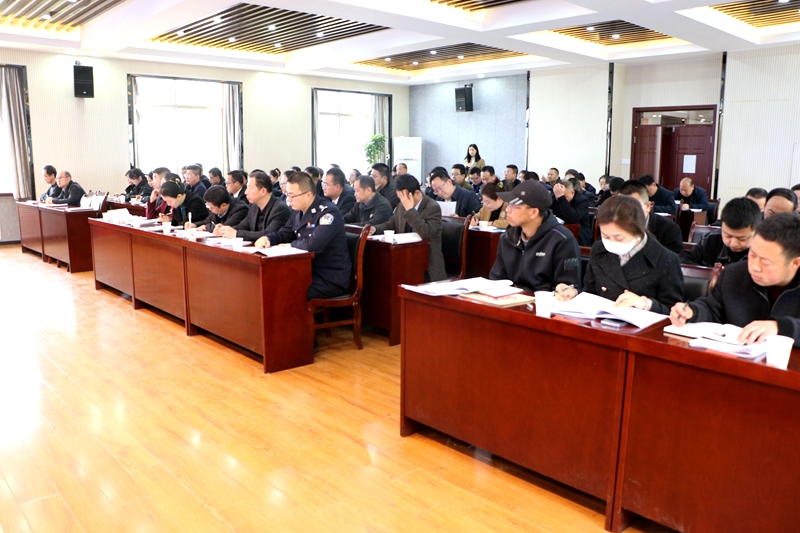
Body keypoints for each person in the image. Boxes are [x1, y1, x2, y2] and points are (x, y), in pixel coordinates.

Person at [670, 213, 800, 346]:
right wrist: (692, 311)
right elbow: (712, 308)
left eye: (765, 262)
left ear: (795, 263)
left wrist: (780, 327)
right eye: (752, 255)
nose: (754, 266)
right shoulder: (734, 273)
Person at [557, 195, 683, 314]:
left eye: (619, 237)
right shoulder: (599, 249)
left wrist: (645, 303)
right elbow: (590, 292)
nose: (611, 242)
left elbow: (674, 312)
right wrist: (575, 294)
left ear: (637, 231)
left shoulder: (666, 259)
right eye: (605, 236)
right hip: (601, 323)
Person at [261, 172, 351, 300]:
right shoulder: (298, 212)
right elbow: (285, 233)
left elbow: (313, 245)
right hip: (307, 270)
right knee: (270, 282)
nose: (288, 200)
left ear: (308, 195)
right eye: (287, 195)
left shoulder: (329, 213)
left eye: (292, 196)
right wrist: (269, 238)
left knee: (285, 289)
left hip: (328, 277)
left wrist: (291, 245)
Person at [489, 180, 580, 292]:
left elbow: (568, 286)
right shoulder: (508, 237)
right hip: (510, 298)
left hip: (544, 300)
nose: (507, 210)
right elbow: (497, 278)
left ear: (534, 212)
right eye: (508, 205)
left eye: (514, 206)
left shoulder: (563, 240)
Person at [372, 175, 446, 282]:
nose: (402, 201)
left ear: (417, 193)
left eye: (404, 197)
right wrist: (374, 229)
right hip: (404, 257)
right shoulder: (401, 206)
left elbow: (426, 233)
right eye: (400, 197)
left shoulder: (432, 207)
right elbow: (391, 225)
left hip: (427, 264)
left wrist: (410, 210)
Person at [681, 197, 761, 267]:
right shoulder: (711, 239)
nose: (733, 243)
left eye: (742, 238)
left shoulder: (764, 249)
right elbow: (685, 259)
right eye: (728, 236)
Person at [219, 170, 291, 241]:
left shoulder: (280, 208)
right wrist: (224, 230)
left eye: (250, 188)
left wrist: (237, 234)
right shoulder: (254, 206)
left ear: (263, 191)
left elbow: (268, 235)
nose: (246, 192)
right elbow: (242, 226)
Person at [619, 180, 683, 254]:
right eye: (622, 208)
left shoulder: (669, 229)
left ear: (648, 206)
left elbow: (674, 259)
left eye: (634, 208)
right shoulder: (613, 227)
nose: (627, 213)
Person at [184, 185, 248, 232]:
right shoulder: (216, 206)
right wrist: (194, 225)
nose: (209, 209)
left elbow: (224, 227)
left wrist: (206, 227)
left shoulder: (240, 209)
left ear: (223, 205)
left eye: (211, 207)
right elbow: (206, 221)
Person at [552, 178, 592, 246]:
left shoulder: (582, 200)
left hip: (579, 236)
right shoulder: (556, 197)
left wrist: (561, 198)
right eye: (557, 196)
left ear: (572, 193)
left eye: (565, 196)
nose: (558, 199)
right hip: (559, 233)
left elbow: (572, 219)